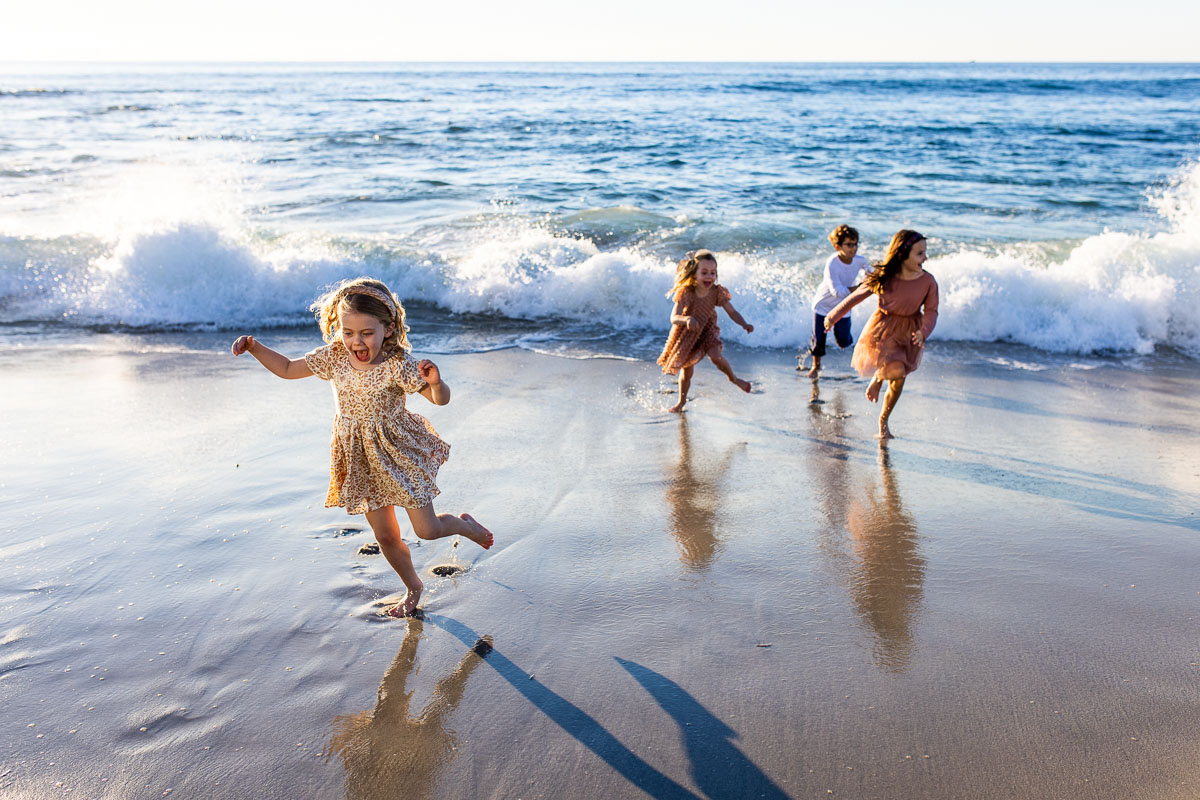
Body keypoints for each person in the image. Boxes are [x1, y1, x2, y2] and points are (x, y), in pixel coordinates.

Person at [231, 276, 493, 618]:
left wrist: (436, 382)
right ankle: (413, 586)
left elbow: (439, 400)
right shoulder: (334, 357)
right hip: (360, 459)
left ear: (387, 328)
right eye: (348, 332)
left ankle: (466, 526)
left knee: (427, 530)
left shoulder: (398, 365)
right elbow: (287, 368)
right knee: (385, 535)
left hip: (399, 454)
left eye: (367, 333)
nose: (356, 341)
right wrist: (255, 348)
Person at [824, 230, 938, 439]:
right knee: (896, 370)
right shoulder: (884, 277)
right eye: (919, 253)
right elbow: (857, 297)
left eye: (925, 253)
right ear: (902, 254)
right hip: (883, 328)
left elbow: (931, 311)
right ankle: (878, 379)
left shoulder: (928, 281)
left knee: (899, 379)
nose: (925, 258)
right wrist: (833, 316)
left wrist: (924, 332)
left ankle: (884, 420)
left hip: (911, 332)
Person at [656, 250, 754, 413]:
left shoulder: (716, 292)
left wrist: (744, 324)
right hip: (688, 333)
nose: (709, 276)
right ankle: (681, 402)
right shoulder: (687, 292)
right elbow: (673, 317)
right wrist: (687, 319)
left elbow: (732, 312)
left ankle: (734, 379)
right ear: (694, 274)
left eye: (713, 273)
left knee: (715, 355)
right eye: (704, 273)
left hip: (708, 329)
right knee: (687, 371)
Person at [802, 224, 868, 377]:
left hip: (843, 306)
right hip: (823, 305)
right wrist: (859, 288)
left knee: (844, 342)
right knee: (819, 341)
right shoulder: (832, 263)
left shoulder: (860, 260)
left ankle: (858, 347)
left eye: (855, 244)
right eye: (849, 245)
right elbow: (837, 292)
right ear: (838, 247)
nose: (853, 248)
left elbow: (871, 276)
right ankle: (816, 367)